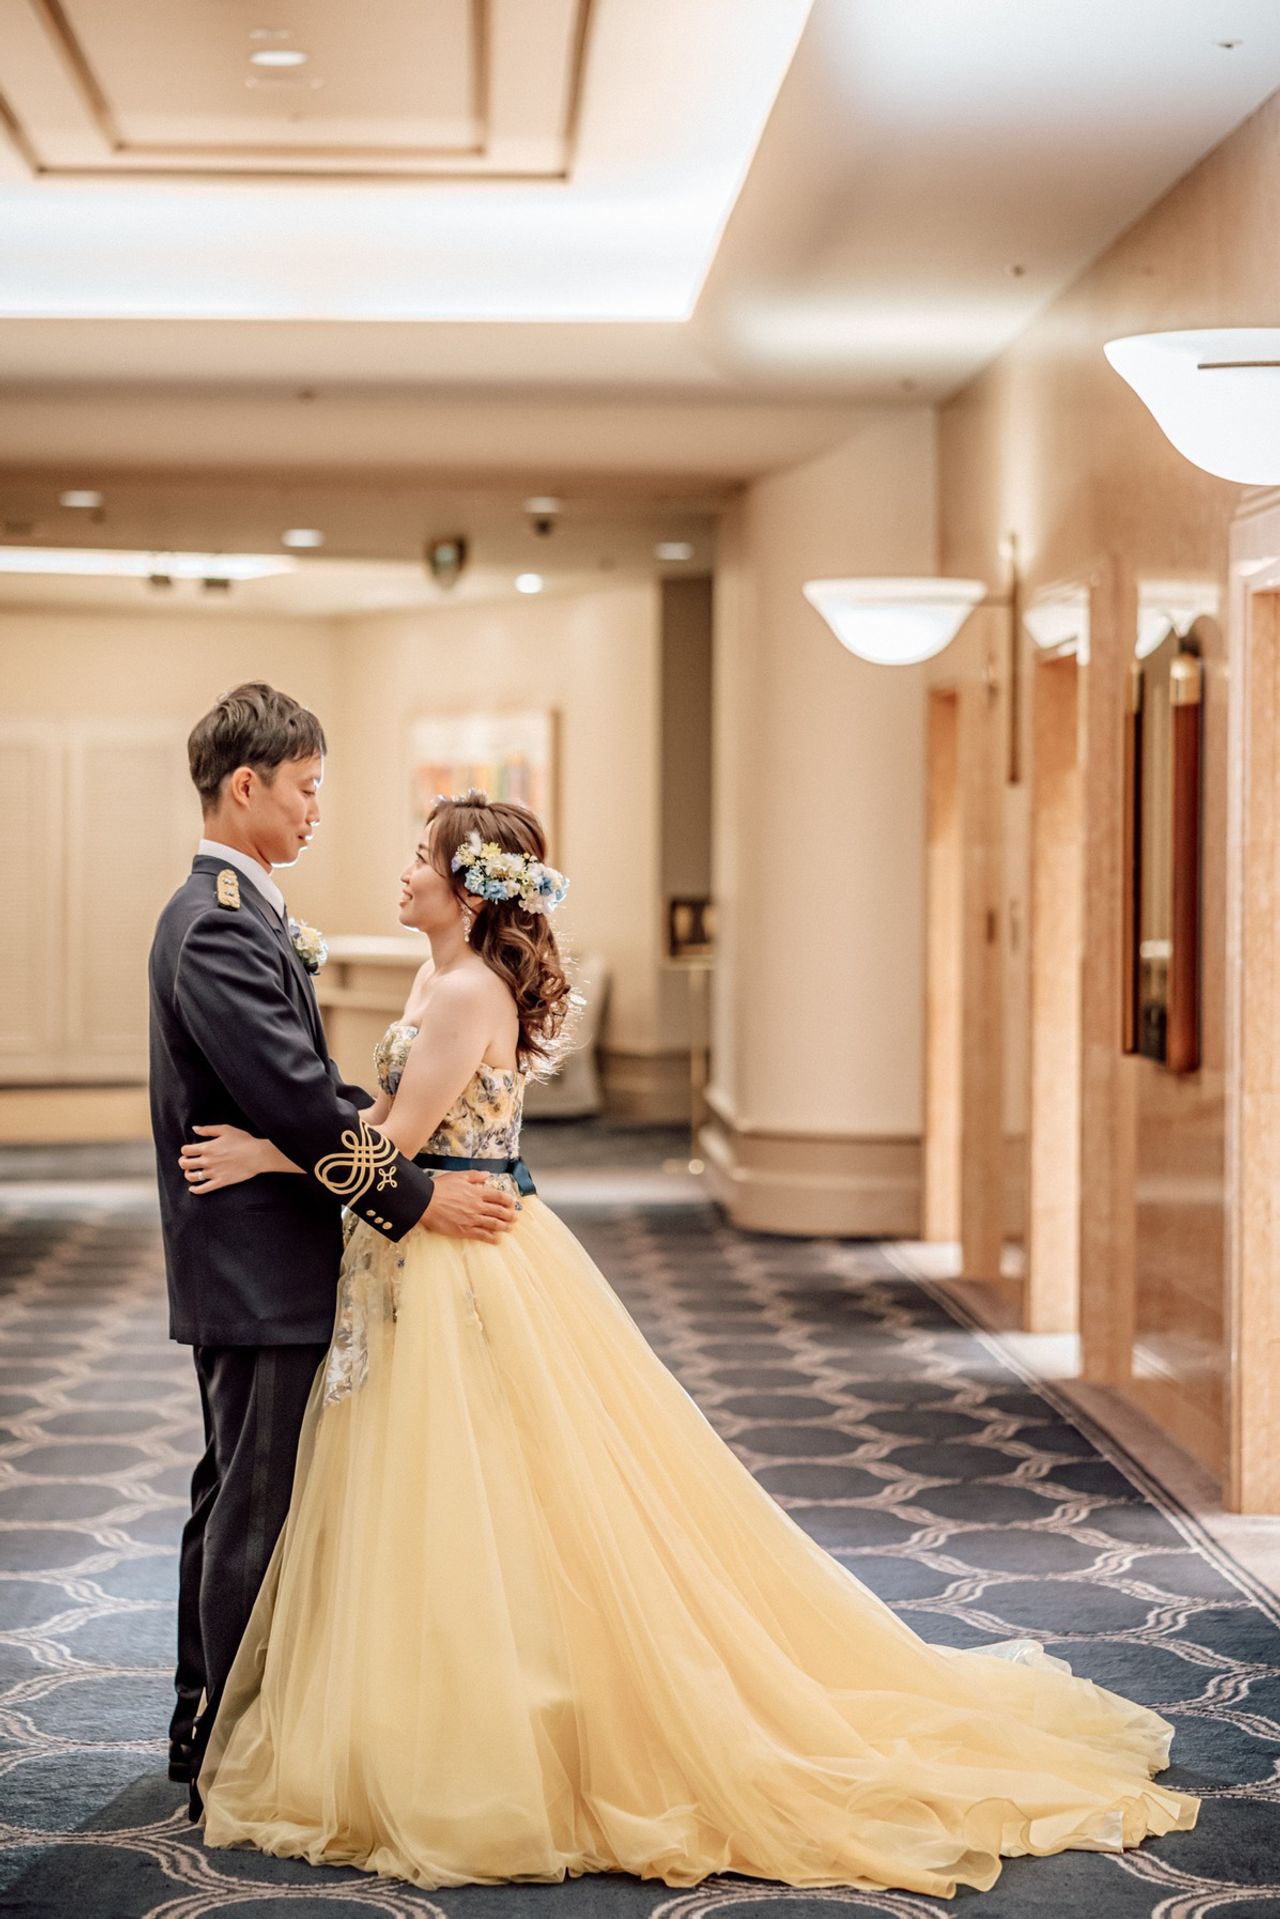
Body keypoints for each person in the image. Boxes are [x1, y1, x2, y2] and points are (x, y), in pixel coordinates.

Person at [184, 789, 1198, 1899]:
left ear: (468, 888)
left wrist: (266, 1155)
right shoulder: (439, 980)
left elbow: (401, 1137)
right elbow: (386, 1115)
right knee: (459, 1489)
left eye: (420, 857)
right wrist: (306, 1144)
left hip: (461, 1254)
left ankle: (513, 1731)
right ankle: (461, 1707)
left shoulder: (467, 989)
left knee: (486, 1482)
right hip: (421, 1244)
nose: (404, 871)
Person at [148, 689, 515, 1810]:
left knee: (234, 1490)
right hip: (259, 1266)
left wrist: (386, 1132)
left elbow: (314, 1097)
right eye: (306, 788)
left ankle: (208, 1722)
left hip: (260, 1255)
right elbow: (301, 1105)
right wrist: (418, 1197)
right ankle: (230, 1745)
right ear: (244, 785)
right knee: (255, 1502)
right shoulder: (217, 921)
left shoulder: (234, 910)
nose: (317, 809)